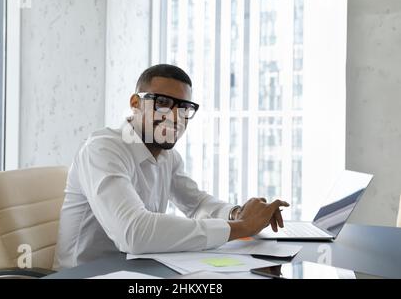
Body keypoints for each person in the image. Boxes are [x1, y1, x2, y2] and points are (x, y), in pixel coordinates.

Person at [53, 64, 289, 270]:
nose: (175, 116)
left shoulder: (168, 157)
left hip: (138, 269)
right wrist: (241, 227)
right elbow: (134, 233)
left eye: (184, 108)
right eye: (163, 103)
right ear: (135, 103)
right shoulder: (103, 150)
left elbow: (197, 204)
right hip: (86, 274)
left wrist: (237, 213)